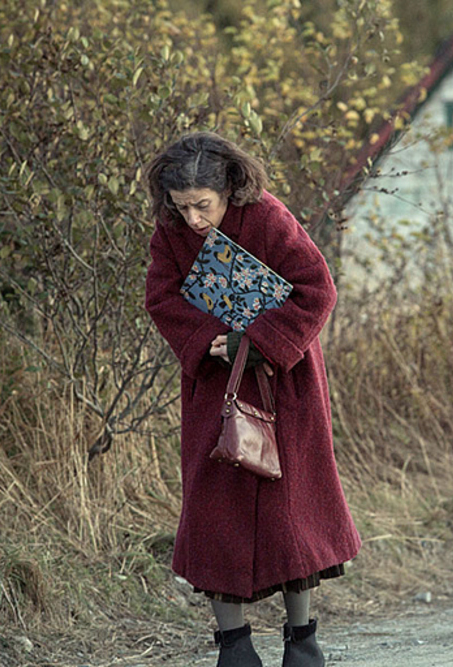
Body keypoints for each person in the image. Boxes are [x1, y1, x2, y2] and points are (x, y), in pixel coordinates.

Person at [143, 132, 361, 667]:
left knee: (294, 512)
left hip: (286, 385)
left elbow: (317, 288)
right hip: (215, 388)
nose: (193, 219)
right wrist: (208, 341)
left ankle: (303, 641)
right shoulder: (171, 232)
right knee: (216, 506)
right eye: (182, 206)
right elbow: (161, 296)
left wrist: (260, 340)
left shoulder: (267, 217)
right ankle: (234, 648)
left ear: (228, 189)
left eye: (203, 205)